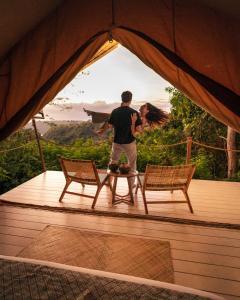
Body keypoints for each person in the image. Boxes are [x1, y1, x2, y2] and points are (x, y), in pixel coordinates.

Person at [98, 91, 142, 188]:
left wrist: (101, 131)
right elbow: (139, 129)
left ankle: (109, 182)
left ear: (122, 99)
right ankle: (131, 185)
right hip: (129, 142)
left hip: (117, 141)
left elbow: (109, 125)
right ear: (130, 100)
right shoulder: (134, 113)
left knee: (113, 161)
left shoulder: (115, 111)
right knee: (132, 162)